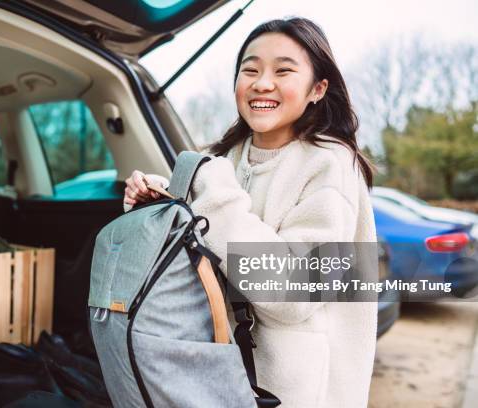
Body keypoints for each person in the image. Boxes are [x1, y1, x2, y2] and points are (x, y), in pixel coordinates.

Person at [124, 17, 377, 408]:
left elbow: (294, 291)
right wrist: (157, 201)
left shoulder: (331, 165)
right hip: (221, 376)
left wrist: (210, 190)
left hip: (296, 391)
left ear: (318, 89)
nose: (262, 83)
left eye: (283, 70)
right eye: (251, 69)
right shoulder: (224, 160)